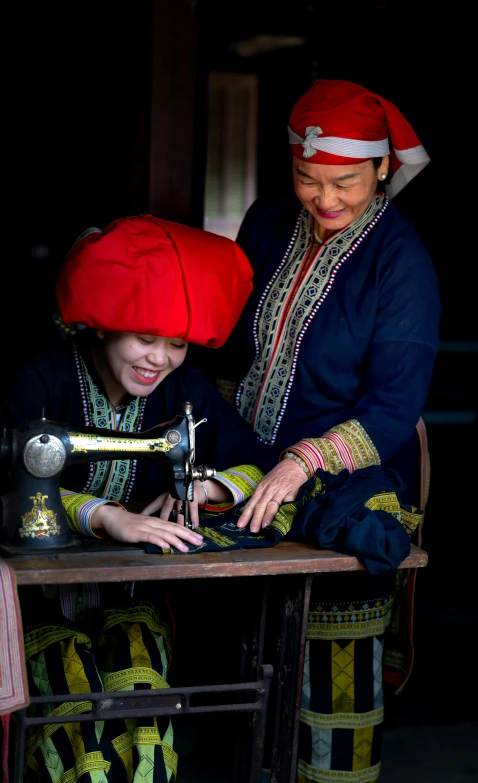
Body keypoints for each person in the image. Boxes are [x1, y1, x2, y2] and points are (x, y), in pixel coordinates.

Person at [200, 79, 441, 782]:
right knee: (234, 669)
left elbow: (394, 406)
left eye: (345, 181)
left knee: (331, 681)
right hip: (245, 468)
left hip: (347, 480)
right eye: (309, 178)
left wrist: (302, 462)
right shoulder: (268, 222)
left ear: (382, 170)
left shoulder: (402, 264)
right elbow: (227, 352)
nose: (326, 198)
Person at [0, 214, 279, 782]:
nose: (159, 359)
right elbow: (6, 484)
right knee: (69, 691)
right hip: (32, 601)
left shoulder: (183, 390)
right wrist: (106, 516)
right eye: (144, 338)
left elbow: (260, 463)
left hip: (133, 594)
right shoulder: (42, 378)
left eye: (175, 343)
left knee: (144, 692)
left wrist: (208, 484)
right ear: (102, 326)